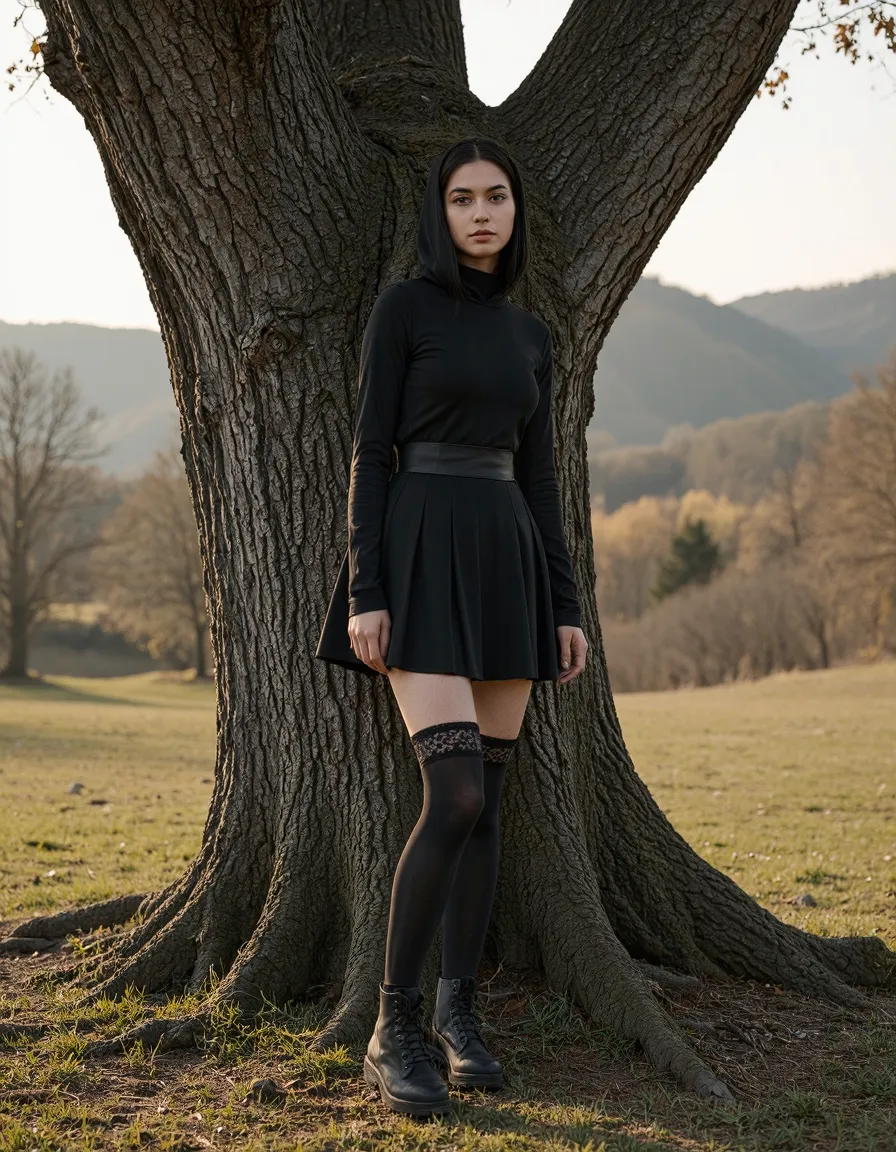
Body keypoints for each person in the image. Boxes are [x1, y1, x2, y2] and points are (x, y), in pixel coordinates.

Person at [314, 137, 588, 1115]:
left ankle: (458, 1016)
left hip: (507, 564)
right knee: (457, 794)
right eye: (462, 198)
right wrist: (365, 589)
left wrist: (563, 605)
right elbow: (368, 450)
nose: (479, 212)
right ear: (440, 213)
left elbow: (541, 477)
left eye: (496, 197)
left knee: (492, 809)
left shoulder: (529, 336)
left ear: (514, 213)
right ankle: (393, 1028)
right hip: (419, 560)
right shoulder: (404, 309)